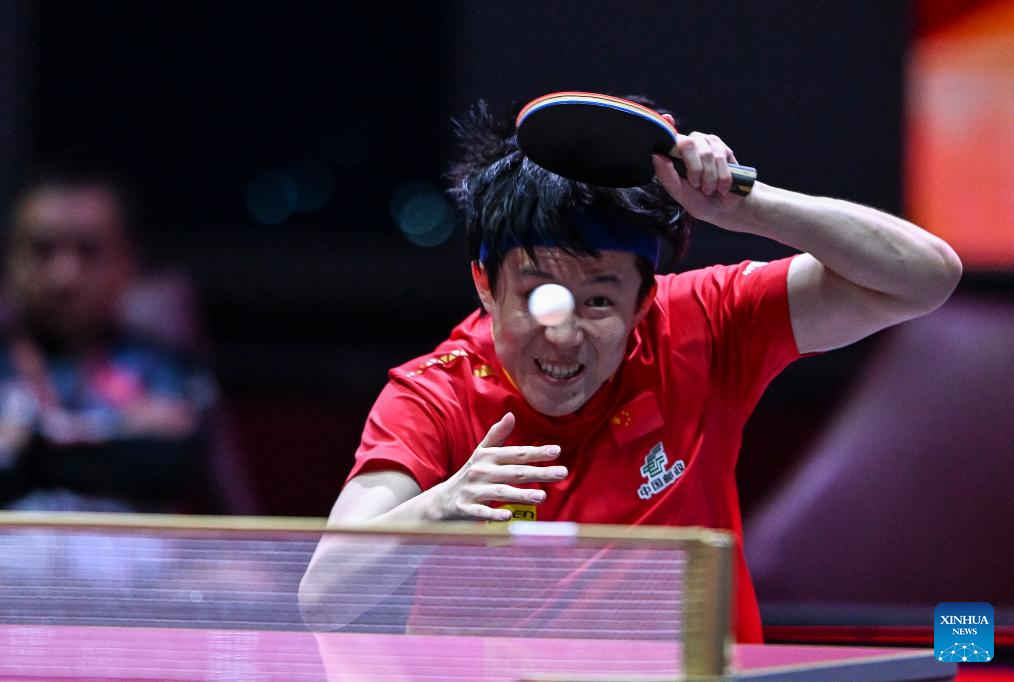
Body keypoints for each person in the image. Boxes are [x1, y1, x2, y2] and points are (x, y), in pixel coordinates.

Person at [301, 100, 962, 642]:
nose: (562, 335)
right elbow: (323, 595)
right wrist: (443, 505)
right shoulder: (434, 393)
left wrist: (748, 206)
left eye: (597, 302)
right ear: (484, 285)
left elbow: (927, 277)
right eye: (537, 295)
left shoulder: (704, 323)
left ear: (644, 300)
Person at [0, 162, 222, 513]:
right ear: (11, 258)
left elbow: (165, 467)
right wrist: (118, 430)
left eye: (89, 251)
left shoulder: (166, 369)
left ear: (128, 261)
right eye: (42, 250)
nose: (64, 277)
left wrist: (27, 446)